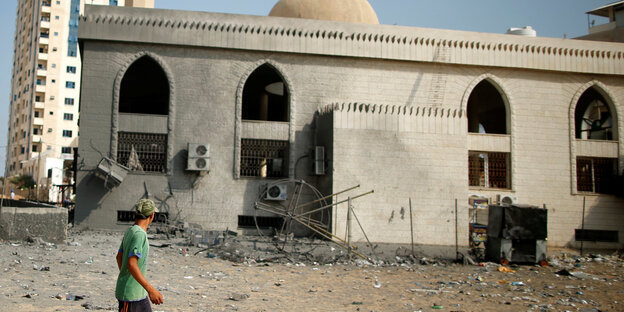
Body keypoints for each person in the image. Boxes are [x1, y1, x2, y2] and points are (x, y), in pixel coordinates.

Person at [116, 199, 164, 311]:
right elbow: (132, 264)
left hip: (138, 294)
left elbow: (119, 257)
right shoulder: (139, 234)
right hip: (131, 296)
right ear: (152, 216)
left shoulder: (130, 230)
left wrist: (125, 275)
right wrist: (151, 290)